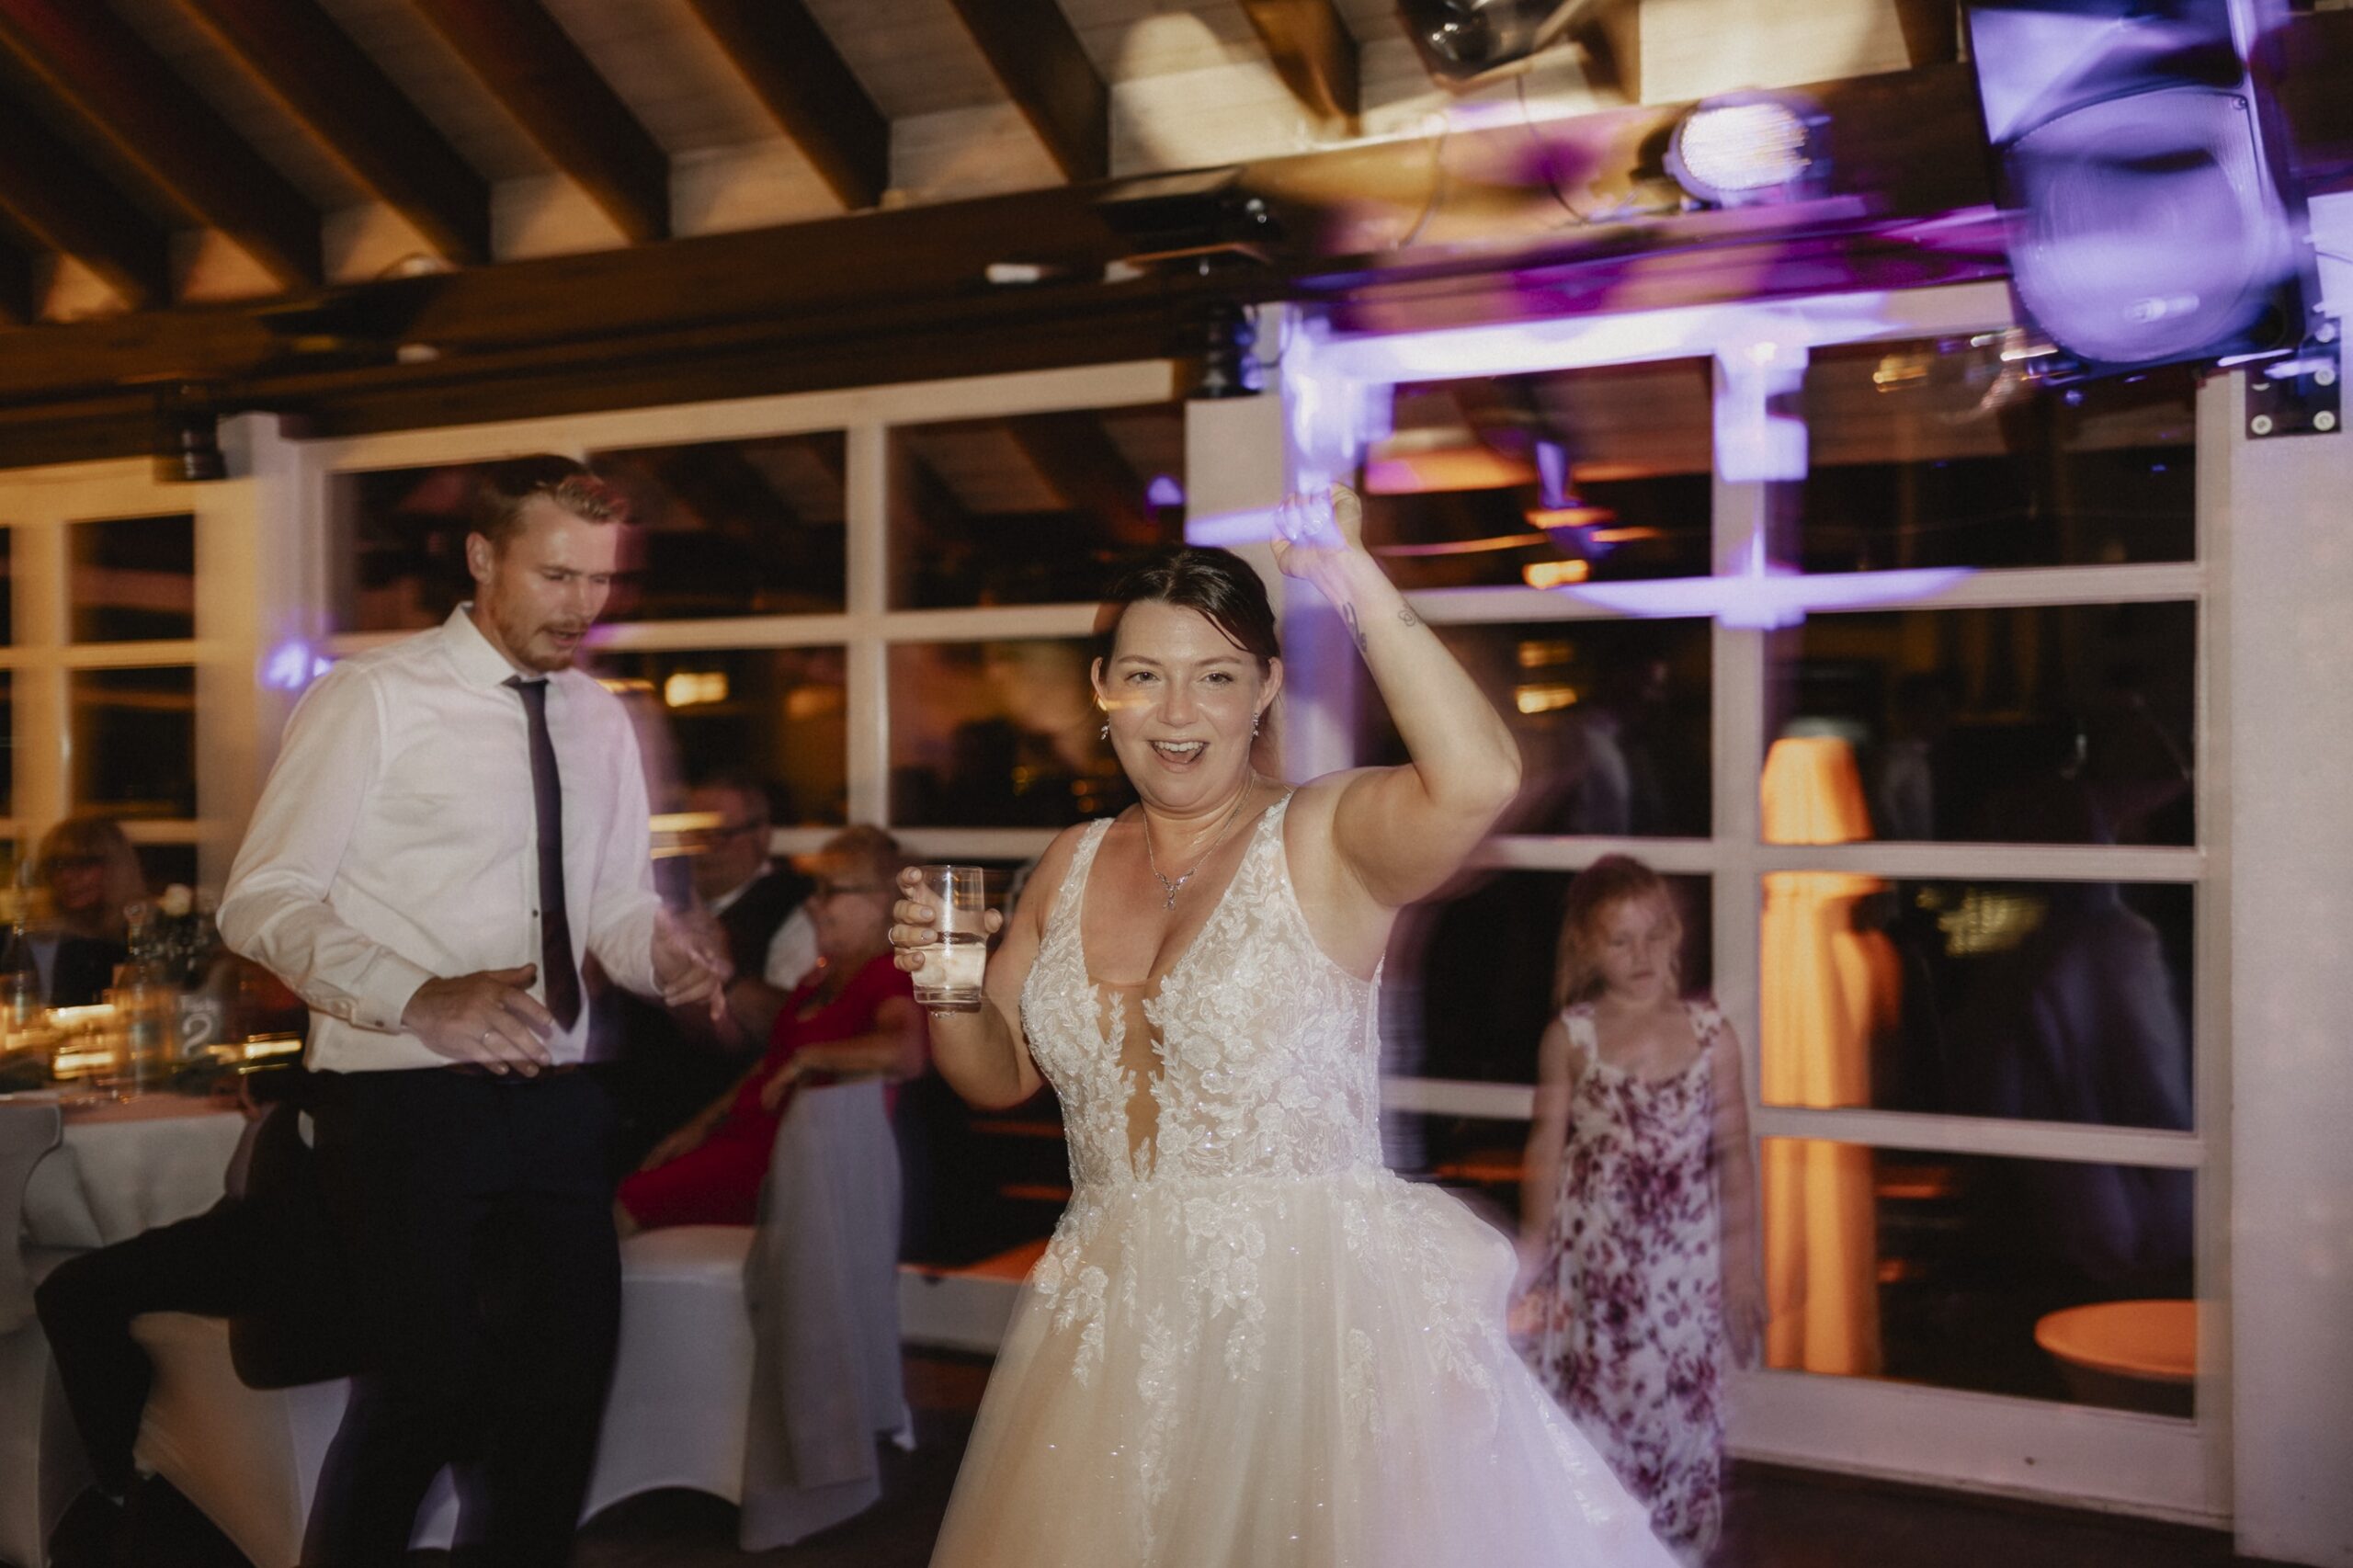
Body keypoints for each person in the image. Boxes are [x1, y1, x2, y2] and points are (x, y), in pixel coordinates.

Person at [895, 488, 1679, 1567]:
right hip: (1109, 1320)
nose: (1179, 711)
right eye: (1145, 675)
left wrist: (1350, 573)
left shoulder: (1323, 836)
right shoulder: (1067, 863)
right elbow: (997, 1075)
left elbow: (1479, 777)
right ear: (1104, 689)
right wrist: (945, 979)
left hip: (1308, 1323)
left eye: (1216, 676)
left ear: (1264, 688)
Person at [217, 456, 729, 1568]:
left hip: (562, 1097)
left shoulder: (600, 717)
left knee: (563, 1400)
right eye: (557, 575)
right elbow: (262, 899)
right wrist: (419, 993)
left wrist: (663, 957)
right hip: (403, 1099)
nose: (584, 605)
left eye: (600, 579)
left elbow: (614, 904)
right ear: (482, 557)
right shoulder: (373, 698)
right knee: (426, 1394)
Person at [1514, 854, 1764, 1564]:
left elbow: (1735, 1154)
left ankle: (1676, 1552)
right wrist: (1534, 1252)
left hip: (1683, 1278)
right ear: (1588, 949)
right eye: (1620, 940)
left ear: (1675, 935)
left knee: (1677, 1423)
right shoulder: (1571, 1038)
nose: (1641, 954)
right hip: (1597, 1278)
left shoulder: (1712, 1035)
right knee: (1596, 1425)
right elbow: (1546, 1149)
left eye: (1654, 934)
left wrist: (1741, 1266)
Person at [616, 825, 923, 1233]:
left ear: (880, 901)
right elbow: (773, 1059)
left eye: (830, 891)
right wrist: (701, 1124)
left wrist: (808, 1059)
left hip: (788, 1161)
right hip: (750, 1138)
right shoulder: (822, 978)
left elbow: (907, 1052)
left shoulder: (888, 973)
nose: (812, 903)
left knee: (622, 1207)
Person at [605, 771, 816, 1165]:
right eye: (694, 834)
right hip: (630, 1108)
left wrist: (725, 974)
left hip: (727, 1126)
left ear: (762, 836)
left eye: (722, 834)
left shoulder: (798, 909)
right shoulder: (654, 903)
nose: (706, 849)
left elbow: (798, 1028)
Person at [29, 816, 145, 1006]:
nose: (66, 876)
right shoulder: (35, 941)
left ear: (116, 868)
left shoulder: (144, 938)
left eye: (82, 864)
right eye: (58, 865)